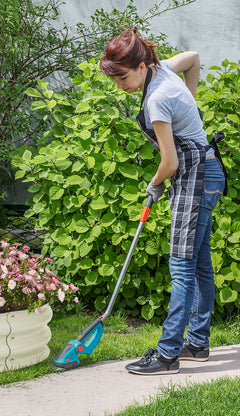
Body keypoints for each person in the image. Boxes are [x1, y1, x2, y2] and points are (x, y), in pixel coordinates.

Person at [99, 28, 227, 375]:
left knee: (182, 267)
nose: (120, 86)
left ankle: (167, 354)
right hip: (206, 172)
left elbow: (168, 164)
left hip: (195, 178)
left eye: (123, 77)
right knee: (199, 263)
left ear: (141, 65)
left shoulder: (157, 98)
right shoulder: (164, 69)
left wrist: (154, 184)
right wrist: (190, 99)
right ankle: (198, 344)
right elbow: (194, 58)